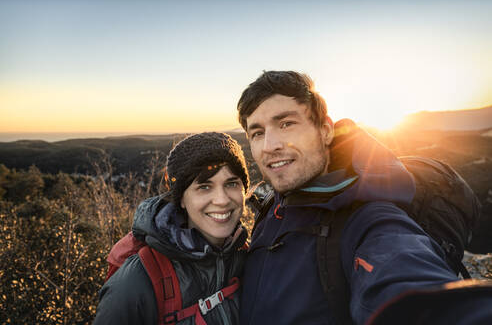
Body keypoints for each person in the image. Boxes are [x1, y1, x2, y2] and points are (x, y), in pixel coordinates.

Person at [236, 71, 492, 324]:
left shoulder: (369, 220)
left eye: (286, 124)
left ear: (325, 130)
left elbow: (407, 283)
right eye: (257, 133)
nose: (270, 145)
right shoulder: (275, 206)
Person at [94, 132, 250, 325]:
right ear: (181, 199)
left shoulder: (248, 257)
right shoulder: (137, 281)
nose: (222, 200)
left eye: (232, 183)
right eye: (204, 187)